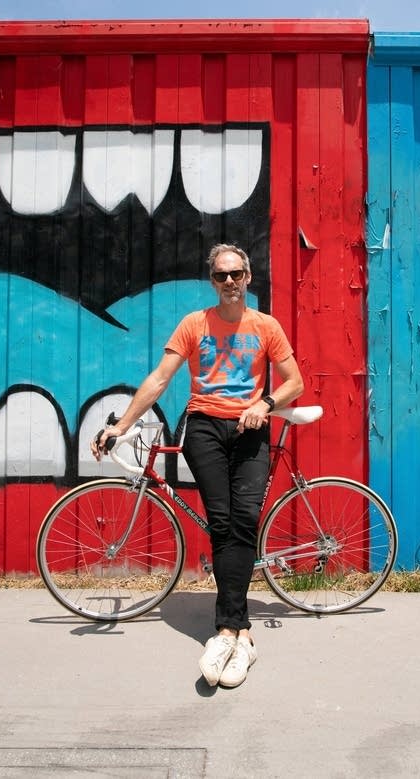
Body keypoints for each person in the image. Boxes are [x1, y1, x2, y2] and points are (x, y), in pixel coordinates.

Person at [91, 243, 304, 688]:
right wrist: (121, 424)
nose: (230, 282)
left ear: (248, 277)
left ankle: (230, 630)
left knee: (244, 521)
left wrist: (263, 404)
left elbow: (295, 382)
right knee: (223, 523)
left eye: (237, 274)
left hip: (251, 429)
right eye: (221, 275)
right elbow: (160, 378)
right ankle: (236, 632)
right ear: (213, 281)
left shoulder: (266, 326)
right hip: (204, 427)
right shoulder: (194, 324)